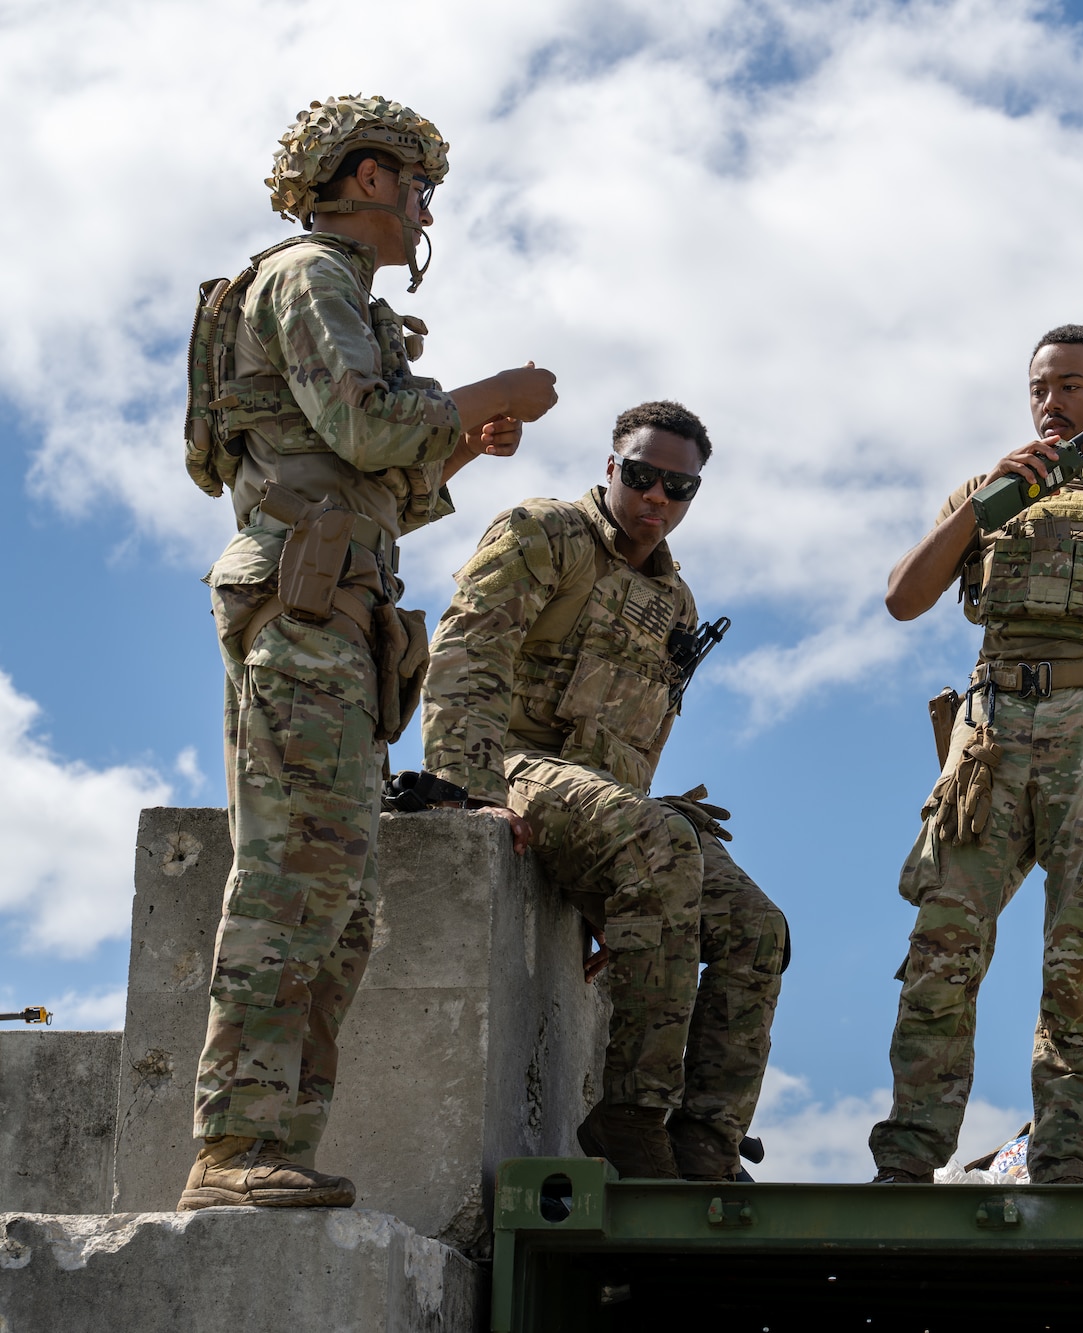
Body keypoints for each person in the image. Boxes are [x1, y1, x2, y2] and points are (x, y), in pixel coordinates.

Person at [180, 95, 559, 1212]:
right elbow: (363, 427)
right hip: (303, 608)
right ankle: (235, 1145)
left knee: (337, 894)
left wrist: (460, 447)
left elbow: (378, 482)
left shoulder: (334, 288)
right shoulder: (311, 275)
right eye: (418, 180)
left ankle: (267, 1144)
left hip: (337, 606)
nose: (428, 205)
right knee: (296, 877)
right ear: (367, 178)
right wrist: (483, 397)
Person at [868, 325, 1083, 1185]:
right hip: (989, 735)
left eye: (1069, 385)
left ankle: (1064, 1159)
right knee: (942, 939)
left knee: (1077, 951)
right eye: (1038, 388)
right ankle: (908, 1157)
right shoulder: (987, 494)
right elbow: (903, 598)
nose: (1050, 402)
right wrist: (982, 504)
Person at [422, 401, 787, 1182]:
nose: (658, 498)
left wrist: (620, 885)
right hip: (513, 766)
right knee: (657, 840)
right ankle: (632, 1117)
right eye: (644, 476)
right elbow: (466, 653)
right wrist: (462, 789)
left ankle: (707, 1138)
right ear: (612, 467)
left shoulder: (675, 602)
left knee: (757, 927)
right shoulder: (544, 534)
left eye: (678, 488)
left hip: (613, 805)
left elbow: (634, 737)